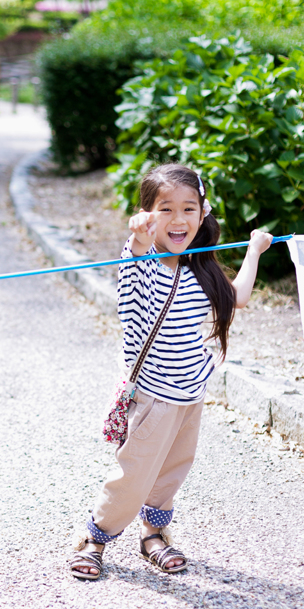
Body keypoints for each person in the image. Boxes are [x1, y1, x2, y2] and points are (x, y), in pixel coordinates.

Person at [69, 163, 273, 580]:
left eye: (189, 209)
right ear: (149, 214)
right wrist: (141, 235)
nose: (179, 219)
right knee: (135, 474)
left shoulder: (202, 268)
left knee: (172, 470)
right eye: (166, 209)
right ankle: (94, 539)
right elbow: (138, 247)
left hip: (189, 396)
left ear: (203, 214)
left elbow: (240, 298)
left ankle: (153, 535)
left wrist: (254, 250)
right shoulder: (143, 268)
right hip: (154, 398)